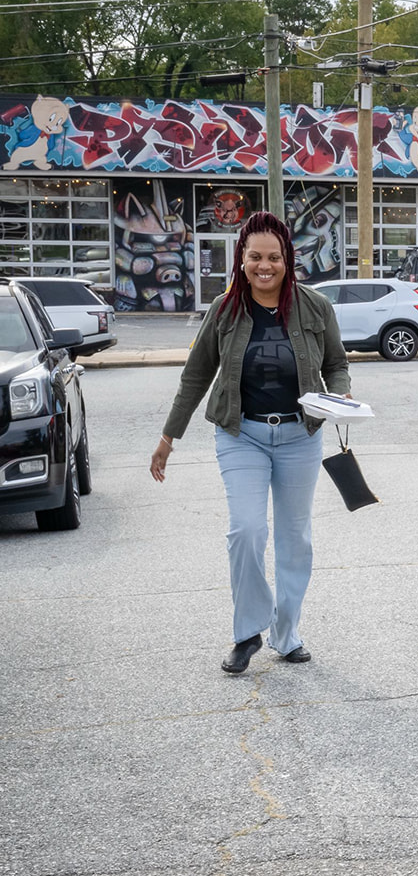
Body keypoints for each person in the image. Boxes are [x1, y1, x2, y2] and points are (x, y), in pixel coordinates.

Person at [150, 211, 350, 675]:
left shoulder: (316, 306)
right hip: (242, 435)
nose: (265, 266)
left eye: (274, 257)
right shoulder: (224, 310)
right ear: (241, 258)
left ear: (287, 259)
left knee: (295, 539)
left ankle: (287, 634)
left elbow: (336, 363)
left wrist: (339, 394)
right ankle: (247, 632)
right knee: (246, 531)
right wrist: (168, 438)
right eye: (256, 256)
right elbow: (196, 375)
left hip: (300, 435)